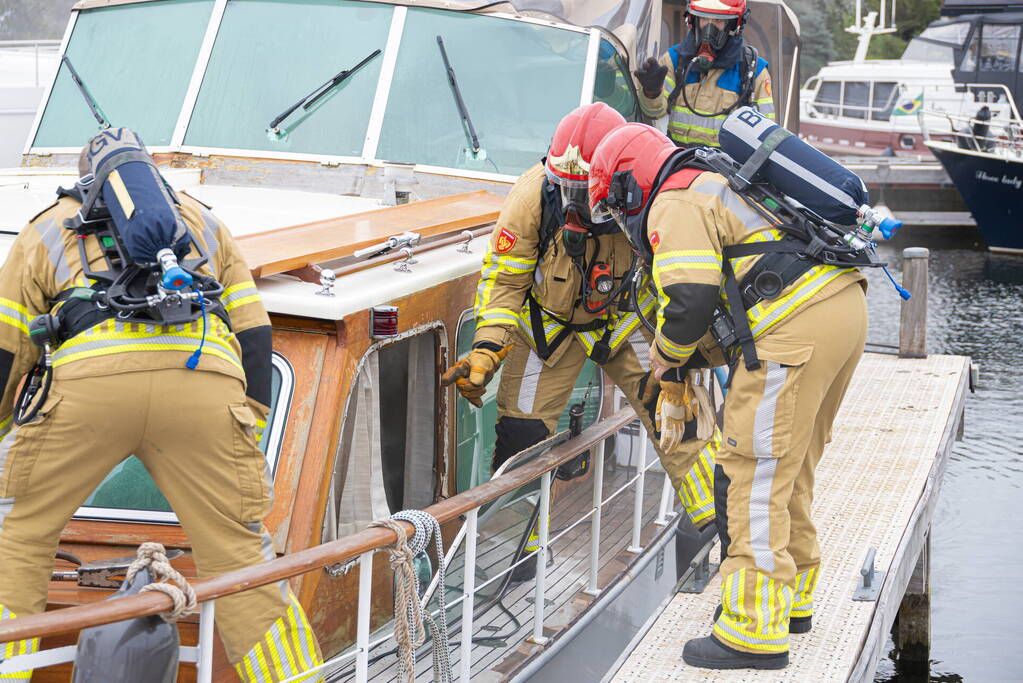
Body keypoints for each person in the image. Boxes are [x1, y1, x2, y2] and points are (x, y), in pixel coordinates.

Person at [0, 130, 323, 682]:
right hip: (203, 381)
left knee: (17, 536)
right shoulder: (203, 222)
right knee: (243, 557)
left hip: (87, 390)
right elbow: (253, 333)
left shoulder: (45, 227)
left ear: (86, 178)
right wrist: (245, 423)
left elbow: (9, 349)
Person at [588, 122, 868, 670]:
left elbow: (689, 299)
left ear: (628, 186)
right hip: (843, 307)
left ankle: (751, 630)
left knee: (751, 473)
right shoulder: (717, 180)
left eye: (617, 209)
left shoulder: (674, 201)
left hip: (793, 330)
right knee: (792, 466)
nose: (623, 223)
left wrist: (665, 358)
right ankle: (793, 600)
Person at [442, 103, 719, 580]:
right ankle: (519, 554)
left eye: (582, 190)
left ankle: (719, 521)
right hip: (547, 331)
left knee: (679, 415)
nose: (574, 202)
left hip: (625, 322)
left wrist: (673, 362)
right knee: (520, 441)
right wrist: (488, 346)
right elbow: (504, 281)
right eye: (565, 188)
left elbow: (669, 278)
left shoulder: (646, 197)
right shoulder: (533, 196)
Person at [633, 0, 774, 147]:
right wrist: (652, 93)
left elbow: (766, 136)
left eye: (718, 20)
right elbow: (654, 114)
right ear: (693, 20)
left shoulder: (753, 71)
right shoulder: (675, 59)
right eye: (704, 18)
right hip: (679, 161)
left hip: (724, 166)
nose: (709, 27)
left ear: (734, 25)